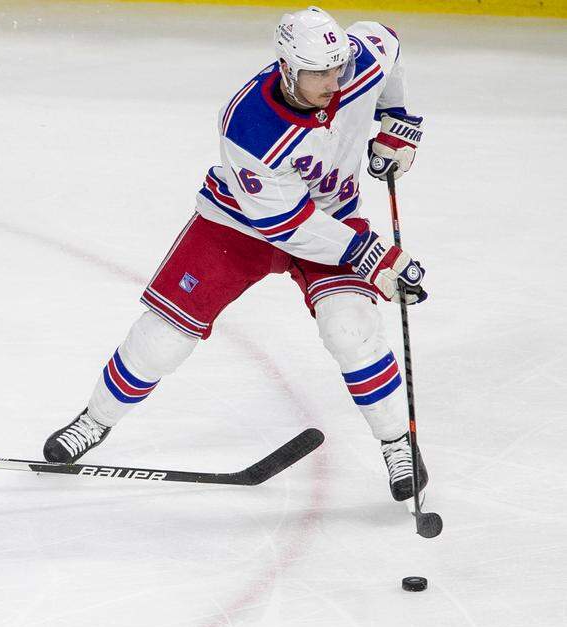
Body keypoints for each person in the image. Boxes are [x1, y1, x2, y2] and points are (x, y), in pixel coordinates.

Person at [43, 7, 429, 502]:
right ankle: (94, 421)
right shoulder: (249, 124)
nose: (334, 81)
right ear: (288, 69)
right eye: (319, 73)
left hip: (331, 220)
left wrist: (396, 120)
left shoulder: (355, 62)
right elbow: (284, 225)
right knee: (163, 335)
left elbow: (388, 47)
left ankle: (398, 442)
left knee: (352, 331)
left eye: (337, 68)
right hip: (241, 223)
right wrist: (370, 255)